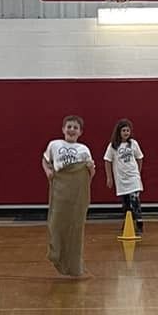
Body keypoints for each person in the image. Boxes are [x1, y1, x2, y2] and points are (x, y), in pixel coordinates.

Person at [43, 116, 94, 276]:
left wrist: (90, 169)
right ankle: (55, 252)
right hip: (59, 190)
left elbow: (89, 174)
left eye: (75, 127)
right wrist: (48, 172)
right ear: (63, 129)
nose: (72, 129)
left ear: (80, 132)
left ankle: (74, 266)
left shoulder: (84, 149)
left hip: (75, 194)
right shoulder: (54, 144)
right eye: (69, 126)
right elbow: (45, 160)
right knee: (56, 223)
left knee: (75, 227)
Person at [104, 119, 145, 230]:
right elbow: (107, 160)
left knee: (134, 198)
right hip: (121, 178)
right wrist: (109, 178)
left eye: (128, 130)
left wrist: (138, 172)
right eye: (124, 130)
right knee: (126, 202)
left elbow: (140, 158)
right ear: (119, 132)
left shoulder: (133, 144)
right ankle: (128, 222)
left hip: (133, 176)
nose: (126, 132)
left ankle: (139, 221)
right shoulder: (113, 146)